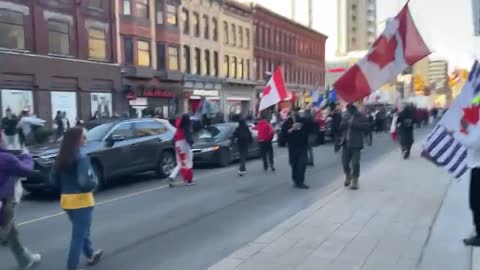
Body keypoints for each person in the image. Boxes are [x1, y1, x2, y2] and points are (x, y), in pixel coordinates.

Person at [50, 127, 103, 270]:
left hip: (66, 200)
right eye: (83, 137)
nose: (85, 139)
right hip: (81, 201)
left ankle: (91, 254)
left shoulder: (61, 157)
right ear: (76, 140)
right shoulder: (82, 158)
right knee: (78, 236)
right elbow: (84, 182)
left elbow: (53, 179)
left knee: (81, 231)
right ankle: (71, 266)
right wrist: (94, 183)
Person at [0, 130, 41, 270]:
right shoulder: (6, 159)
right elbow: (26, 170)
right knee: (7, 232)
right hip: (3, 203)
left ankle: (25, 259)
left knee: (12, 233)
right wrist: (26, 156)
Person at [340, 104, 369, 190]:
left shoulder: (361, 116)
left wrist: (353, 123)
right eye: (347, 109)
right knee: (345, 163)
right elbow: (340, 127)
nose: (348, 110)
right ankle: (348, 175)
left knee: (355, 163)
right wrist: (345, 123)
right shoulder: (345, 115)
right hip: (345, 143)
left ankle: (355, 180)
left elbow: (366, 127)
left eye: (350, 109)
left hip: (356, 143)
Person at [282, 111, 310, 189]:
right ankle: (295, 179)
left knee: (302, 164)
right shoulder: (287, 123)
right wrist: (292, 129)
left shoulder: (302, 120)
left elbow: (309, 126)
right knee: (294, 164)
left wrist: (301, 125)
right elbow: (284, 134)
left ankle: (300, 181)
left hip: (303, 146)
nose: (294, 114)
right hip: (293, 147)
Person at [168, 114, 195, 187]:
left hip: (177, 144)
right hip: (184, 144)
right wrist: (191, 143)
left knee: (180, 162)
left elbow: (170, 120)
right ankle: (189, 180)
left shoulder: (178, 126)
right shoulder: (186, 127)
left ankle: (172, 176)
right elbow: (188, 137)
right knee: (188, 161)